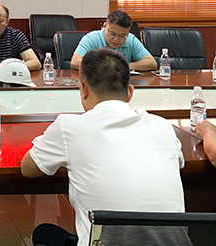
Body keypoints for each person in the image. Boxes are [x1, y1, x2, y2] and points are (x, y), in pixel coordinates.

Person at [21, 48, 185, 246]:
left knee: (44, 234)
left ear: (83, 89)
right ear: (130, 92)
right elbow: (176, 164)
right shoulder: (162, 126)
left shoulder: (69, 127)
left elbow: (28, 169)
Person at [70, 10, 156, 71]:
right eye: (112, 34)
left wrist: (124, 66)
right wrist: (106, 67)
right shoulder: (91, 38)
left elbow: (151, 63)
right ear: (104, 26)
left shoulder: (131, 39)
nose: (116, 39)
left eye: (122, 35)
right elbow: (75, 62)